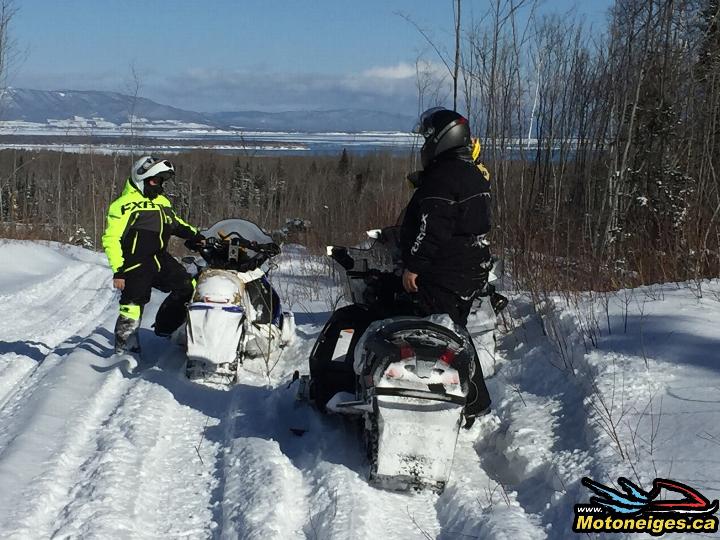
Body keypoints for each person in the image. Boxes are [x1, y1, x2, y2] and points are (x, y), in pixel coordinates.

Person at [400, 106, 493, 427]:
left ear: (443, 138)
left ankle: (468, 400)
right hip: (466, 265)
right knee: (451, 330)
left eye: (427, 137)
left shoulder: (443, 177)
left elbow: (433, 228)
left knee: (442, 332)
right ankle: (462, 397)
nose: (424, 144)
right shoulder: (468, 172)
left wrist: (413, 266)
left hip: (447, 269)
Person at [102, 156, 204, 354]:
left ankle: (173, 328)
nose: (158, 185)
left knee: (187, 285)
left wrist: (198, 236)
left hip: (160, 258)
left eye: (161, 181)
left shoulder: (162, 202)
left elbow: (175, 223)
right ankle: (125, 351)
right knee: (132, 304)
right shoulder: (124, 204)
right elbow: (111, 238)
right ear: (142, 178)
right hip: (134, 263)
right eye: (155, 181)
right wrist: (119, 270)